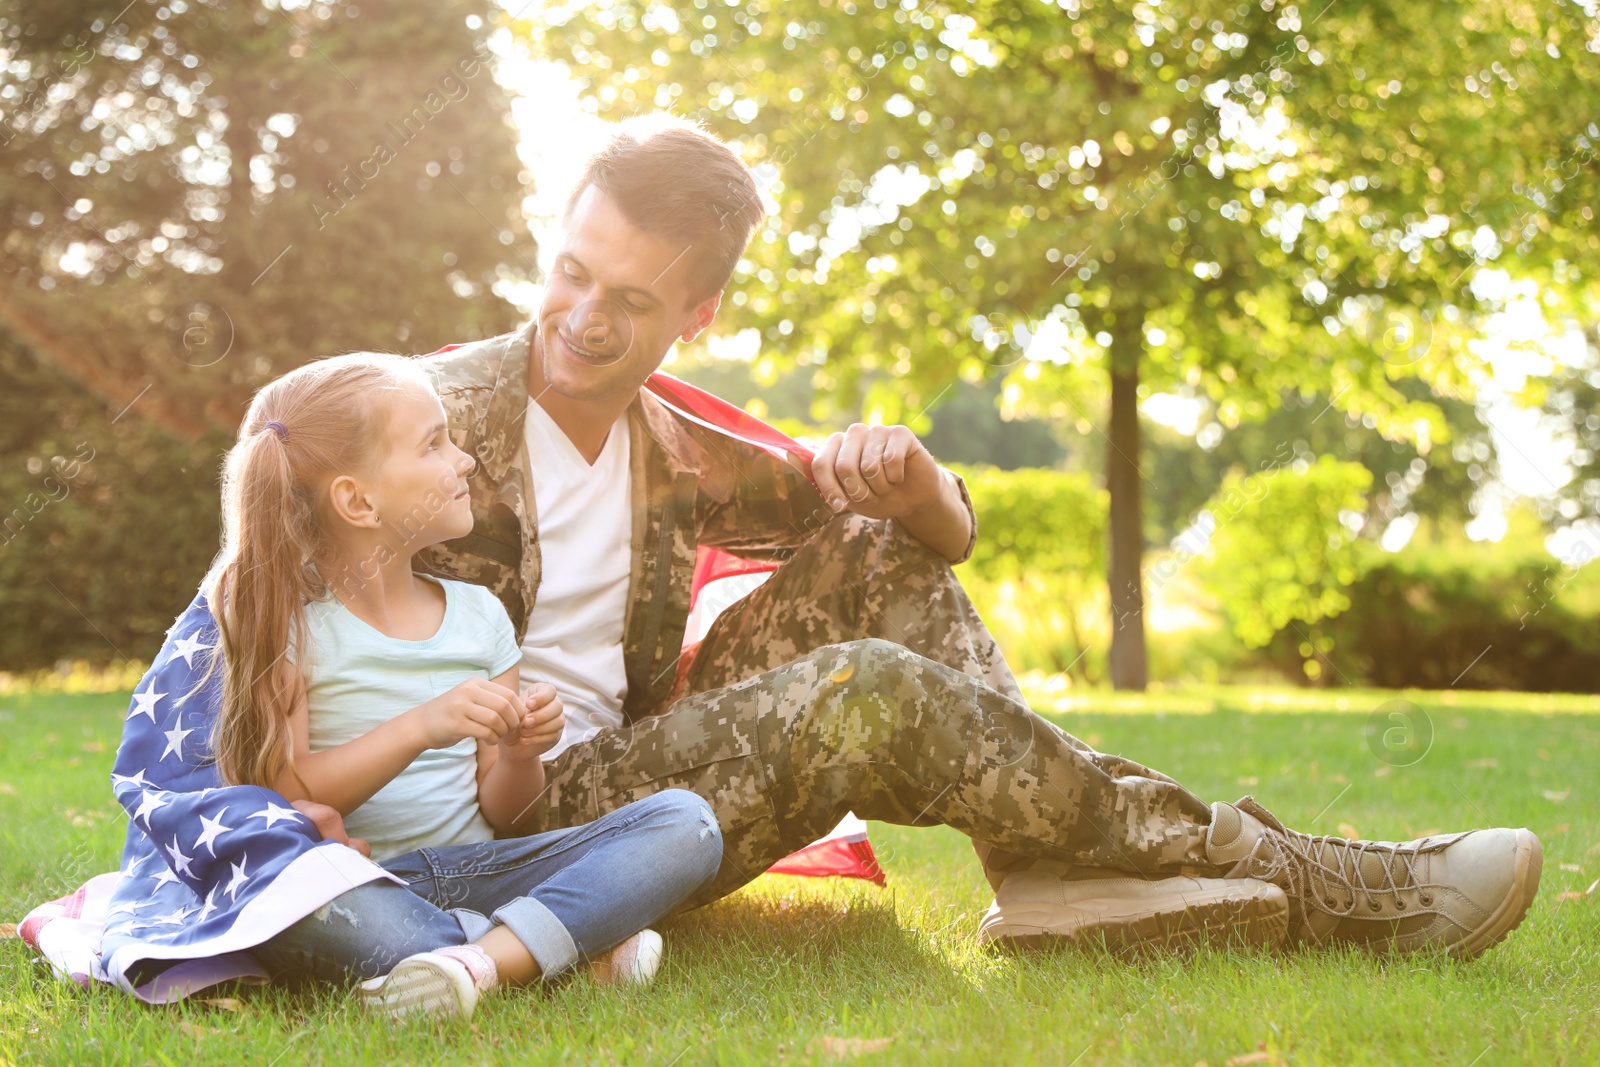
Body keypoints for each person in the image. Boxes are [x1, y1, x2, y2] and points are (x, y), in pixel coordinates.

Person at [405, 112, 1542, 961]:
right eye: (570, 273)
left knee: (878, 550)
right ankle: (1299, 876)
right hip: (503, 829)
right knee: (872, 692)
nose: (584, 320)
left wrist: (912, 477)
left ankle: (1045, 869)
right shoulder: (413, 417)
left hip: (634, 790)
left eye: (634, 302)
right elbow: (244, 612)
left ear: (698, 315)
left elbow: (927, 534)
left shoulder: (677, 449)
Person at [198, 353, 724, 1018]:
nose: (465, 460)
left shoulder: (478, 617)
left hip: (486, 870)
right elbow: (287, 794)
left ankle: (474, 960)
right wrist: (421, 725)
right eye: (434, 443)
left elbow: (510, 813)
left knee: (688, 823)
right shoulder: (293, 628)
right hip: (369, 882)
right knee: (302, 909)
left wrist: (519, 752)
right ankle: (551, 951)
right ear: (358, 501)